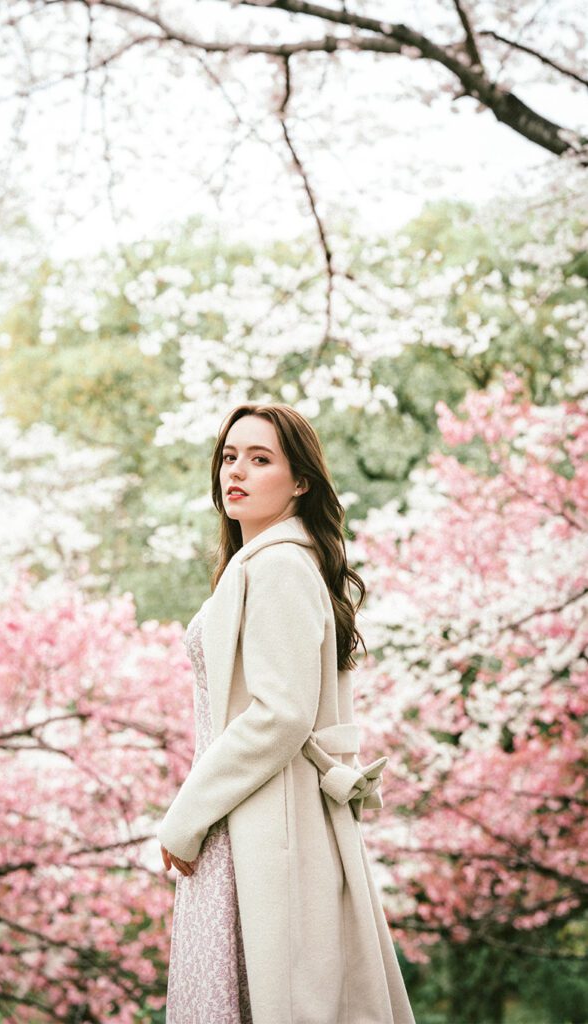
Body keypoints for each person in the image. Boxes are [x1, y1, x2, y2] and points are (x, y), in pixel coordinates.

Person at [157, 402, 416, 1024]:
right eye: (229, 457)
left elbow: (281, 714)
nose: (236, 471)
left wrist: (185, 814)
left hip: (262, 819)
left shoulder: (278, 567)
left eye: (260, 458)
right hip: (247, 813)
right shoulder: (269, 564)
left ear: (301, 481)